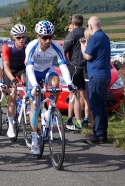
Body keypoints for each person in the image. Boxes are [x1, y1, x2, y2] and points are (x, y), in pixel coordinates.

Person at [25, 20, 76, 155]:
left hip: (47, 69)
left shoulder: (56, 47)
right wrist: (35, 85)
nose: (48, 40)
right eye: (44, 37)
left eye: (51, 37)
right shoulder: (31, 47)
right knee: (35, 105)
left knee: (55, 82)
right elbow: (29, 68)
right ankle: (35, 140)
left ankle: (51, 108)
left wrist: (70, 83)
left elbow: (63, 66)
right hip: (33, 73)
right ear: (38, 36)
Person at [80, 16, 110, 144]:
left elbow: (87, 55)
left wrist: (83, 46)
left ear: (91, 26)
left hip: (95, 75)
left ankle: (98, 134)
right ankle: (102, 131)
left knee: (95, 105)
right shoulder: (105, 37)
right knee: (102, 105)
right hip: (105, 74)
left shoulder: (95, 38)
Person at [1, 24, 28, 138]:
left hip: (21, 68)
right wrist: (12, 79)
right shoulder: (7, 46)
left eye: (23, 37)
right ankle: (11, 126)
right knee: (13, 94)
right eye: (18, 38)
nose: (21, 40)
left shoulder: (28, 45)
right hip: (9, 70)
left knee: (27, 80)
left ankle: (26, 101)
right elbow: (6, 66)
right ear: (13, 37)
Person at [63, 14, 85, 131]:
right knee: (86, 96)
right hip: (86, 67)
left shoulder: (72, 34)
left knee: (75, 95)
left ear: (73, 22)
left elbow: (63, 51)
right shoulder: (88, 33)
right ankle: (86, 118)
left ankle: (78, 122)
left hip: (75, 66)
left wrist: (66, 64)